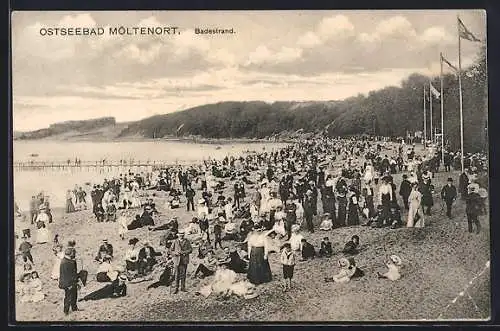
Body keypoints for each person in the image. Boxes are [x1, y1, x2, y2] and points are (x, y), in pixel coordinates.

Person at [59, 247, 79, 315]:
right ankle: (66, 311)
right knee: (68, 297)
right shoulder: (65, 263)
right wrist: (69, 285)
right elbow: (65, 275)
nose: (75, 254)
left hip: (72, 282)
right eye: (74, 253)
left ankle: (74, 308)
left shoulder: (68, 261)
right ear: (71, 253)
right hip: (68, 283)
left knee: (74, 295)